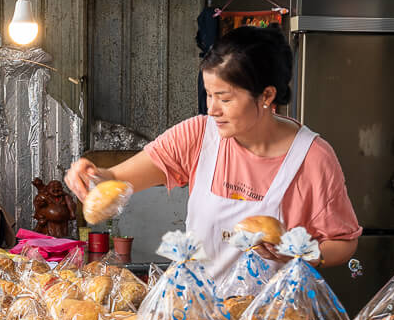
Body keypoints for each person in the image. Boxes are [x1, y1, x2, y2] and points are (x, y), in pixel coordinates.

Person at [65, 24, 360, 284]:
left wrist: (301, 253)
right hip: (199, 317)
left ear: (267, 95)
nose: (212, 109)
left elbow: (342, 243)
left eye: (225, 98)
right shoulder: (198, 136)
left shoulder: (312, 157)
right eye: (209, 94)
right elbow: (116, 180)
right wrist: (90, 175)